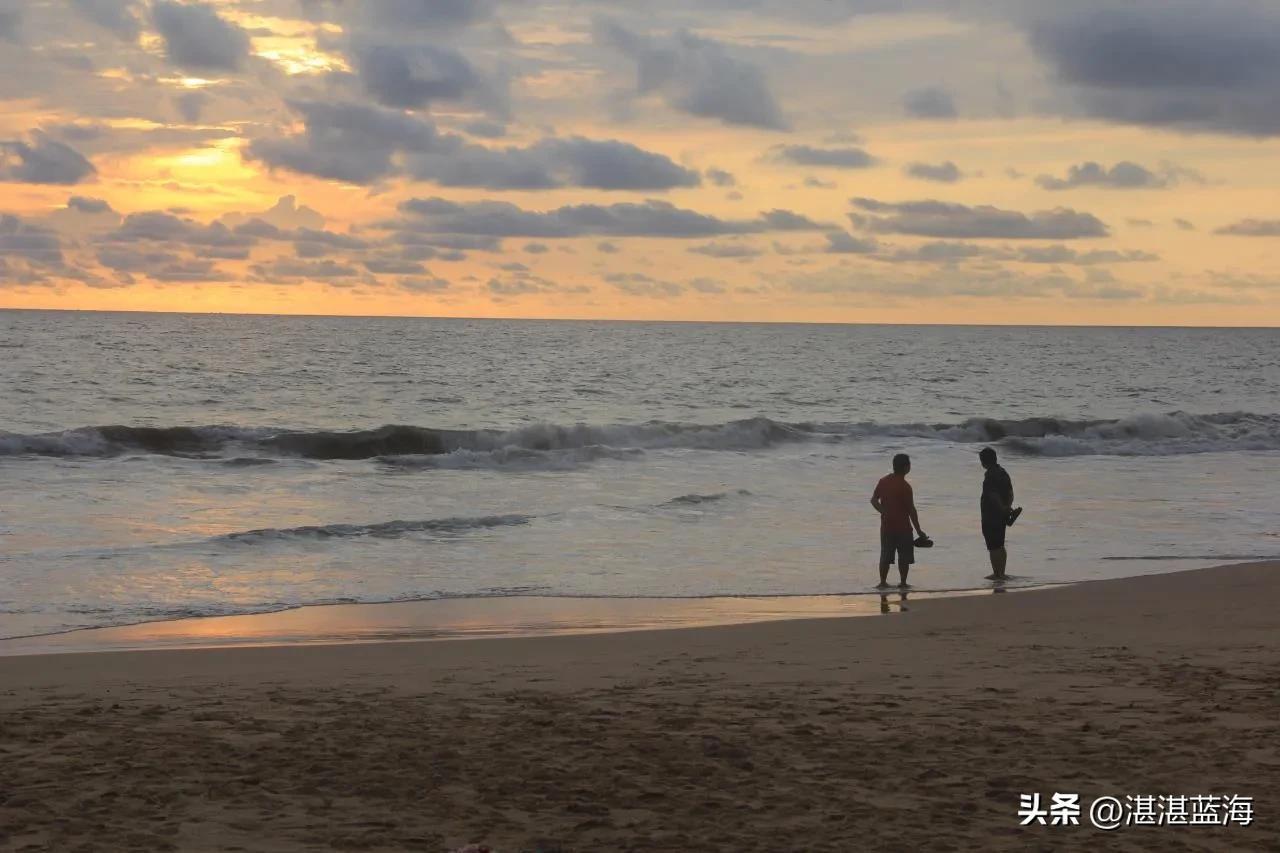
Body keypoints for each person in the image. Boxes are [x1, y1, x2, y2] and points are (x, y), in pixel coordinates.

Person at [870, 453, 927, 589]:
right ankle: (903, 582)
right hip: (903, 528)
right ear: (906, 467)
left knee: (885, 555)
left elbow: (873, 500)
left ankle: (882, 582)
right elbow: (911, 510)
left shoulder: (883, 481)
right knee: (904, 557)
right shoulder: (905, 487)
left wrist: (884, 512)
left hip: (887, 526)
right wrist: (919, 531)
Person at [979, 447, 1021, 580]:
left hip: (991, 515)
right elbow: (1010, 493)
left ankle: (997, 574)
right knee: (1000, 545)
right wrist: (1007, 507)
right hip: (1002, 515)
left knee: (993, 546)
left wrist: (1002, 508)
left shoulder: (990, 475)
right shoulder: (1003, 472)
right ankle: (1001, 572)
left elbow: (993, 495)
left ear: (983, 461)